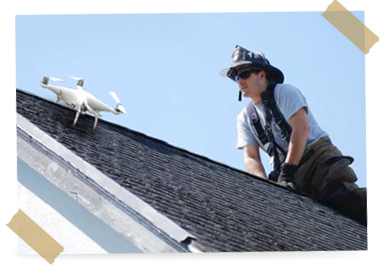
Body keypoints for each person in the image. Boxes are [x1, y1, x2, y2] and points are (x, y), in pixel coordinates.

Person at [220, 45, 369, 226]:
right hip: (289, 174)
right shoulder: (245, 118)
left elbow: (301, 129)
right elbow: (251, 157)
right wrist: (263, 186)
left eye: (244, 74)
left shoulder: (284, 92)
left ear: (262, 74)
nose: (240, 81)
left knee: (347, 200)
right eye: (236, 77)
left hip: (317, 160)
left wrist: (288, 171)